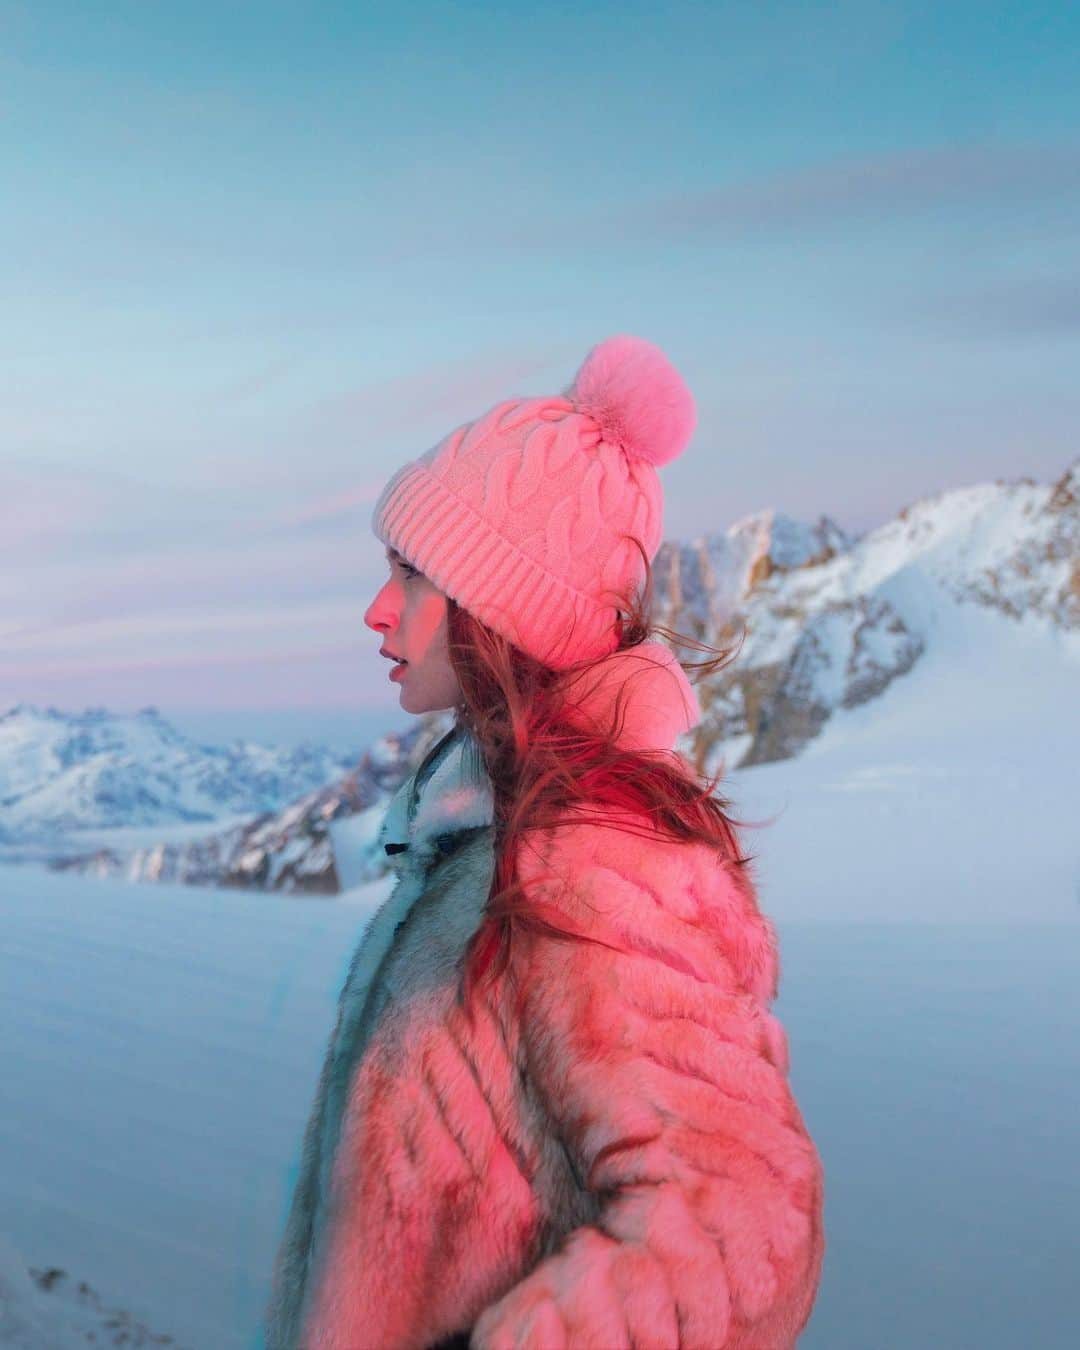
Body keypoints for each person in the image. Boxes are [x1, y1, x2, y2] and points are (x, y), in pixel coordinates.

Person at [263, 335, 826, 1349]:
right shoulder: (497, 826)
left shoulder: (597, 858)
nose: (377, 610)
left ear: (498, 608)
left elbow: (742, 1228)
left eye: (410, 574)